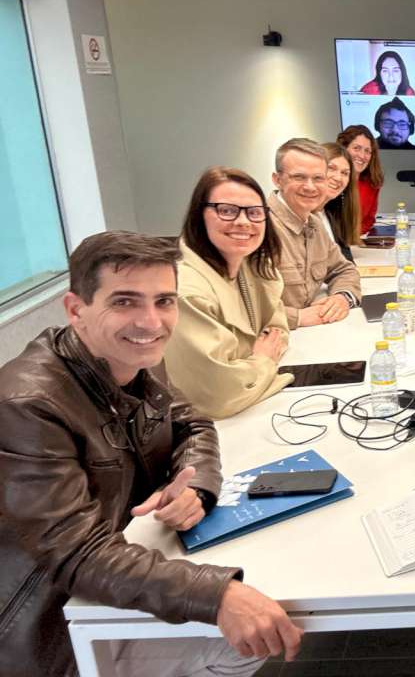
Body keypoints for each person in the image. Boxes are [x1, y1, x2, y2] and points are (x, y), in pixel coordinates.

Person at [0, 231, 303, 677]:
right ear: (76, 310)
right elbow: (74, 554)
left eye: (164, 301)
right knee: (240, 643)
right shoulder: (29, 405)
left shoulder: (135, 355)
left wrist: (196, 486)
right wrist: (217, 594)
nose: (150, 322)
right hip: (51, 625)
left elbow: (192, 423)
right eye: (124, 301)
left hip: (112, 568)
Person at [164, 168, 292, 419]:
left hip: (252, 408)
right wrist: (263, 360)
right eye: (227, 210)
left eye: (254, 212)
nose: (243, 221)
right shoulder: (186, 293)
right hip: (215, 425)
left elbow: (278, 333)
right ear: (199, 216)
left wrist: (247, 368)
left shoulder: (254, 267)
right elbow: (218, 396)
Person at [268, 138, 362, 328]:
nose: (310, 187)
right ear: (277, 180)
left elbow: (344, 269)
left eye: (318, 178)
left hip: (313, 335)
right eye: (299, 177)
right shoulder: (258, 228)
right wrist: (297, 317)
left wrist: (342, 297)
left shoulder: (314, 224)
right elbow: (241, 306)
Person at [319, 142, 361, 261]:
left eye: (345, 173)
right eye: (331, 168)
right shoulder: (302, 216)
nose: (338, 178)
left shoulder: (332, 214)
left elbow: (346, 263)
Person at [338, 124, 382, 235]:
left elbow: (369, 220)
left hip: (355, 239)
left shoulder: (372, 183)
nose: (362, 156)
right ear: (343, 148)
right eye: (356, 148)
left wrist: (353, 236)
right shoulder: (331, 181)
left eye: (367, 151)